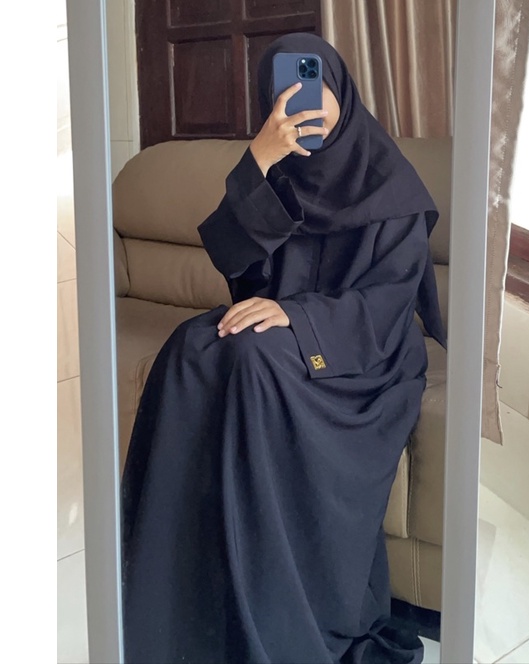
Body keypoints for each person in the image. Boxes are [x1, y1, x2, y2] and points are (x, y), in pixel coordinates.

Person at [121, 32, 446, 664]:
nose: (303, 99)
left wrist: (298, 318)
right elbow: (240, 273)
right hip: (286, 327)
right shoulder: (277, 168)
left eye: (314, 82)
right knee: (190, 347)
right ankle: (178, 586)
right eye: (284, 87)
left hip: (364, 351)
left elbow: (387, 302)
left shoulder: (388, 179)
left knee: (252, 357)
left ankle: (271, 600)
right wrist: (257, 165)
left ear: (341, 89)